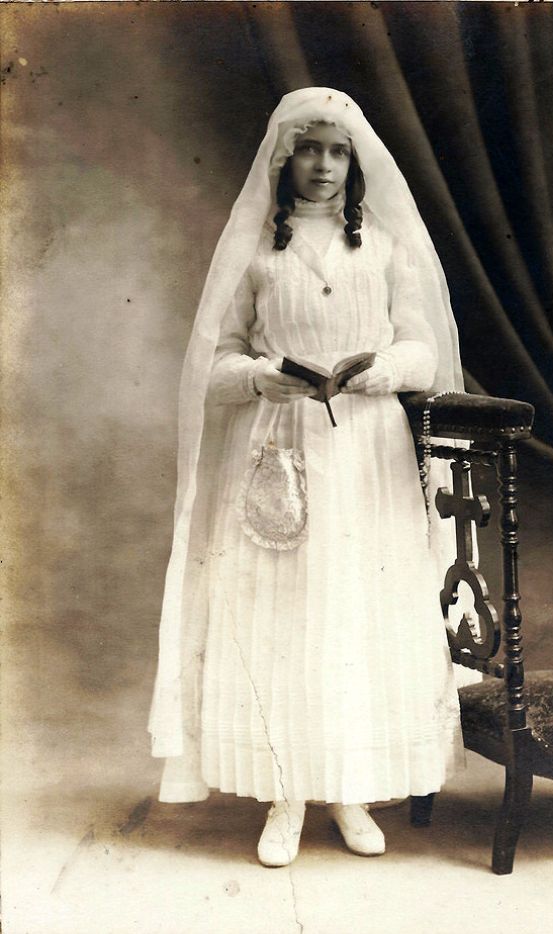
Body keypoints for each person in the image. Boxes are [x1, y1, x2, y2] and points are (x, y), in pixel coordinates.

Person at [148, 87, 474, 868]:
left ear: (353, 163)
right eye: (308, 149)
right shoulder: (258, 253)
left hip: (369, 453)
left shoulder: (384, 248)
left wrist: (383, 369)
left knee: (356, 611)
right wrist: (261, 377)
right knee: (285, 614)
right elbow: (213, 364)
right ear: (283, 158)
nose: (322, 165)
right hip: (279, 447)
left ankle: (350, 789)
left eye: (336, 151)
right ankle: (286, 793)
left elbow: (423, 348)